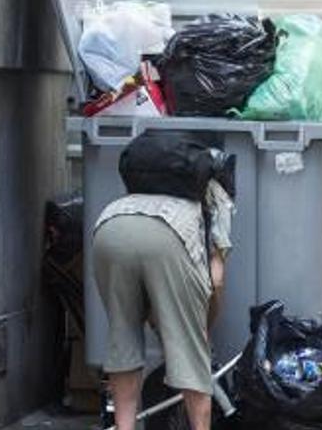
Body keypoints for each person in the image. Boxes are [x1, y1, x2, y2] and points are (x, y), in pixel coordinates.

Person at [93, 178, 234, 430]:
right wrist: (202, 328)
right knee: (191, 353)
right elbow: (217, 279)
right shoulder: (219, 198)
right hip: (167, 232)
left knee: (123, 337)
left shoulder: (147, 181)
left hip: (110, 225)